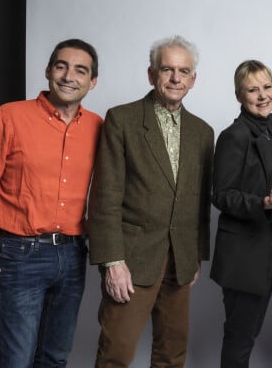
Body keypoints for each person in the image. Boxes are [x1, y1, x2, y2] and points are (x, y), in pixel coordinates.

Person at [0, 38, 102, 367]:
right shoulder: (9, 118)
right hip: (20, 256)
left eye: (81, 70)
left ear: (92, 82)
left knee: (55, 357)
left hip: (74, 254)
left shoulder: (98, 127)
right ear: (48, 71)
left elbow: (111, 192)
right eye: (61, 66)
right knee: (16, 360)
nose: (69, 76)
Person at [87, 35, 214, 368]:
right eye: (167, 69)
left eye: (183, 71)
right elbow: (105, 195)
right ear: (151, 74)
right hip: (132, 259)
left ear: (193, 79)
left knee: (172, 354)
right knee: (117, 353)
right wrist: (112, 261)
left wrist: (195, 254)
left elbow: (198, 200)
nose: (176, 78)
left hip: (180, 260)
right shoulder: (122, 119)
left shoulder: (202, 132)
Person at [210, 60, 272, 367]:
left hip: (271, 249)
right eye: (252, 90)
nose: (262, 96)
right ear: (238, 96)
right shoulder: (233, 136)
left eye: (267, 87)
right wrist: (264, 203)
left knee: (251, 330)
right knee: (241, 335)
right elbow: (221, 195)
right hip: (244, 255)